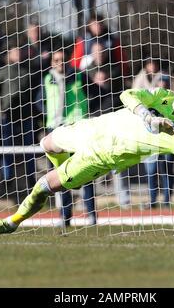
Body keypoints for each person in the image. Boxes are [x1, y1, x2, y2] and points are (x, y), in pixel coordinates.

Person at [0, 84, 174, 234]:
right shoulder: (161, 96)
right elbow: (127, 95)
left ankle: (11, 222)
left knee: (44, 185)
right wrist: (147, 116)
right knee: (46, 142)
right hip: (94, 129)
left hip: (100, 157)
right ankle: (67, 173)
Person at [43, 50, 96, 227]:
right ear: (52, 63)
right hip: (56, 130)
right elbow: (38, 101)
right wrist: (47, 115)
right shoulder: (46, 80)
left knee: (85, 171)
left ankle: (92, 216)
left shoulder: (79, 76)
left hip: (77, 127)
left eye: (63, 60)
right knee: (61, 176)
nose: (60, 63)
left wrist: (88, 115)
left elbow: (97, 93)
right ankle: (65, 218)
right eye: (56, 60)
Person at [0, 47, 37, 203]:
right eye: (14, 52)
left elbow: (35, 94)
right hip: (8, 118)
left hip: (26, 118)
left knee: (29, 152)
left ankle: (31, 183)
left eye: (20, 52)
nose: (17, 54)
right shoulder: (2, 72)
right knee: (7, 152)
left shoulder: (28, 71)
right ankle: (6, 183)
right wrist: (0, 110)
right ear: (8, 54)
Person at [139, 74, 174, 209]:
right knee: (151, 172)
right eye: (160, 84)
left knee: (167, 171)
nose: (162, 86)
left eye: (165, 84)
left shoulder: (172, 99)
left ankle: (167, 201)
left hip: (168, 140)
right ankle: (152, 200)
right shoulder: (148, 98)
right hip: (151, 140)